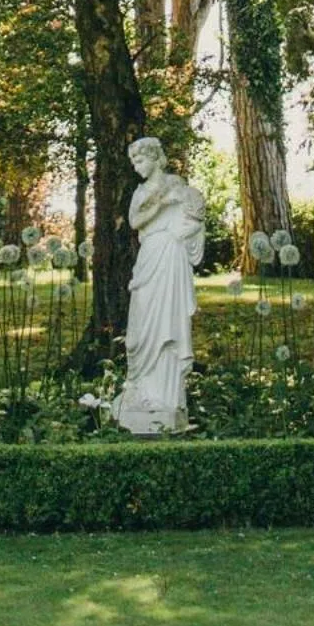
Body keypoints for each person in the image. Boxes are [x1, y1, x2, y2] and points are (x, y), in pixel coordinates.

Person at [112, 137, 205, 435]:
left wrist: (183, 229)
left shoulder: (177, 183)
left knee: (168, 320)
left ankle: (166, 397)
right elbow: (135, 221)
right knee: (140, 324)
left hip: (171, 256)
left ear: (155, 158)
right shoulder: (141, 192)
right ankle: (140, 388)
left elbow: (196, 215)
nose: (137, 167)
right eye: (134, 163)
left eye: (140, 161)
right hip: (150, 256)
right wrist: (161, 203)